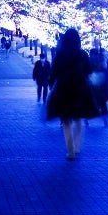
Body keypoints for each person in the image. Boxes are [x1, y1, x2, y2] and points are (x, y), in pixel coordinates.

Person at [45, 28, 100, 160]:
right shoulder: (82, 54)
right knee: (78, 119)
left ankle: (70, 151)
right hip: (80, 89)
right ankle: (77, 146)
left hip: (63, 90)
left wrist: (52, 85)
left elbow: (54, 73)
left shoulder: (60, 54)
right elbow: (88, 71)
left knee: (66, 121)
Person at [88, 38, 108, 126]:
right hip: (101, 83)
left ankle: (87, 118)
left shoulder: (90, 60)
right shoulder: (102, 59)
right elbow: (106, 70)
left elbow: (86, 71)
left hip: (92, 83)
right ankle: (105, 119)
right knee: (102, 102)